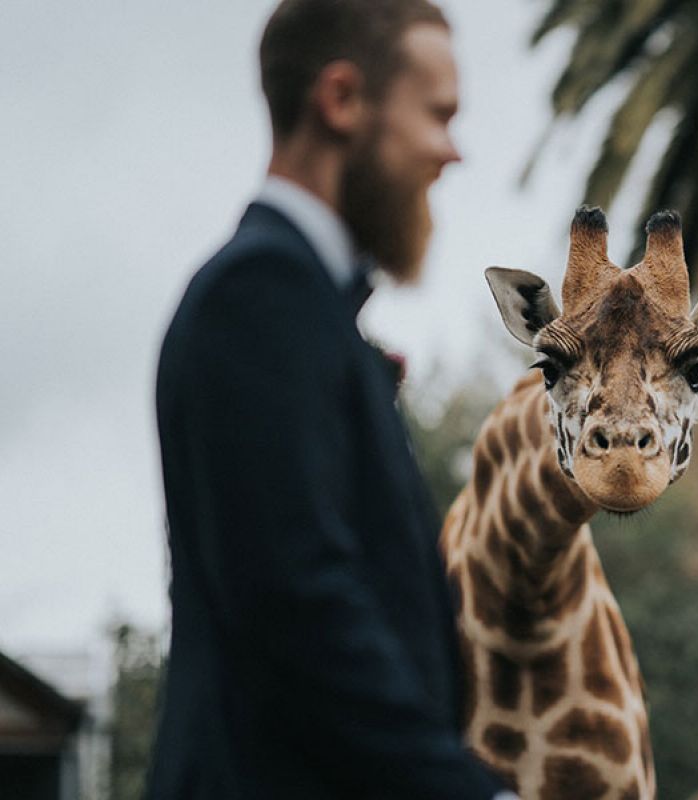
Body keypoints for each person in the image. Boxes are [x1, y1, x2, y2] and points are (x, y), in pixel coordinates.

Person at [147, 2, 514, 797]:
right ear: (342, 100)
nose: (452, 152)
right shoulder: (259, 295)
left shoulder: (303, 305)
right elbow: (295, 604)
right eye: (437, 114)